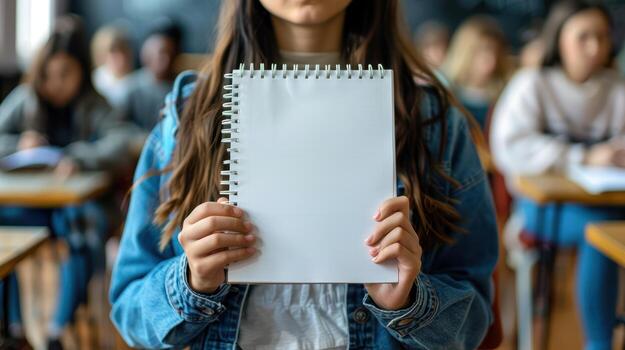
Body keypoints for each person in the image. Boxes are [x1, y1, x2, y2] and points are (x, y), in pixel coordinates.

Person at [109, 1, 499, 349]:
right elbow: (130, 309)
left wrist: (410, 301)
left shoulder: (432, 122)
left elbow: (475, 317)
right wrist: (191, 282)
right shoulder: (187, 115)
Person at [491, 1, 625, 349]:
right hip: (541, 209)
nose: (594, 47)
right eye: (583, 37)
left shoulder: (616, 88)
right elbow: (512, 148)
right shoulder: (532, 84)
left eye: (602, 37)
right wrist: (585, 156)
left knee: (607, 222)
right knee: (599, 231)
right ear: (559, 39)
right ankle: (599, 342)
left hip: (609, 200)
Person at [0, 15, 130, 350]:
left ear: (81, 73)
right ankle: (12, 328)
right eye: (48, 75)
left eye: (65, 74)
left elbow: (121, 141)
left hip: (80, 206)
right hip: (33, 208)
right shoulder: (26, 98)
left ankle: (58, 329)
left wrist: (79, 156)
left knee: (80, 225)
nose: (56, 84)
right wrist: (18, 145)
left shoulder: (94, 102)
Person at [442, 16, 512, 129]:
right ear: (465, 53)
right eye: (483, 51)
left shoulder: (507, 95)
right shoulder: (446, 96)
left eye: (496, 52)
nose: (491, 60)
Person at [116, 20, 181, 132]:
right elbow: (119, 126)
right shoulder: (132, 87)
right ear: (146, 53)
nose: (165, 61)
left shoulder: (181, 87)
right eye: (160, 54)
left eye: (170, 54)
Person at [91, 24, 134, 107]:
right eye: (113, 52)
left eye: (123, 51)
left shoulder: (136, 83)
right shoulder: (96, 80)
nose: (120, 57)